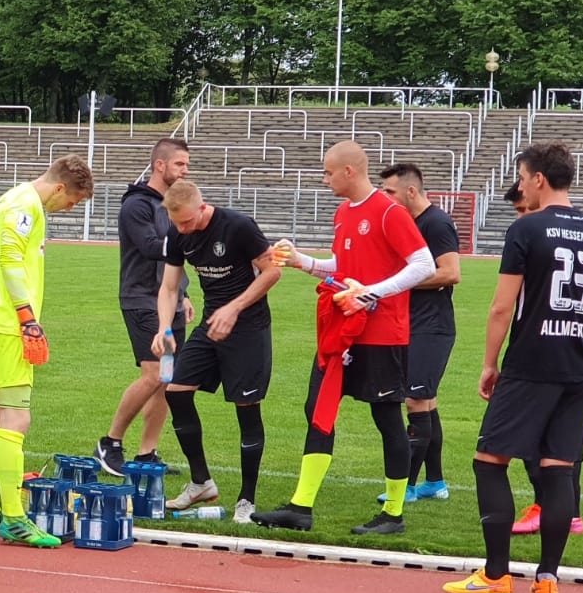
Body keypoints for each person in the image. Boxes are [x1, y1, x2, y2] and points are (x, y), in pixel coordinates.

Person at [442, 143, 583, 593]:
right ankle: (547, 578)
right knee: (559, 470)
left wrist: (489, 363)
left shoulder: (526, 229)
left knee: (490, 460)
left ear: (539, 178)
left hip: (530, 365)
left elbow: (502, 308)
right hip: (577, 369)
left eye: (522, 178)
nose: (520, 186)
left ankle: (496, 575)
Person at [255, 141, 435, 535]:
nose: (325, 179)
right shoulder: (343, 213)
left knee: (386, 417)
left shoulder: (389, 211)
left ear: (349, 171)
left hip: (382, 334)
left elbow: (424, 264)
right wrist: (302, 261)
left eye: (328, 172)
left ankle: (393, 514)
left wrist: (371, 293)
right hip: (342, 331)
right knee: (317, 409)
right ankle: (301, 507)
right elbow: (344, 265)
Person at [0, 154, 94, 547]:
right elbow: (9, 259)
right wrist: (27, 317)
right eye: (71, 201)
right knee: (16, 419)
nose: (68, 208)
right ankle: (14, 517)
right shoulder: (27, 205)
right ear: (59, 187)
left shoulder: (7, 199)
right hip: (7, 322)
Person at [151, 181, 280, 524]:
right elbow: (169, 287)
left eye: (187, 222)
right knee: (176, 391)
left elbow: (273, 271)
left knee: (246, 409)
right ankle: (201, 482)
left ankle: (246, 500)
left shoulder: (238, 226)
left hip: (248, 328)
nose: (182, 229)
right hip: (211, 325)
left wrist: (234, 308)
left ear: (202, 206)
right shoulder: (177, 234)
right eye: (176, 223)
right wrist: (164, 328)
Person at [98, 138, 194, 477]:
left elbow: (172, 262)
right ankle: (110, 442)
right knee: (153, 374)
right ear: (160, 165)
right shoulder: (136, 205)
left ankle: (146, 454)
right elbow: (152, 247)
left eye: (187, 164)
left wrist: (183, 293)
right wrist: (193, 238)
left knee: (166, 379)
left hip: (170, 302)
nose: (185, 170)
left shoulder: (170, 205)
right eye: (180, 164)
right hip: (141, 300)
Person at [499, 180, 583, 537]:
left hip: (540, 352)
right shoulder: (582, 235)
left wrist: (492, 362)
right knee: (562, 440)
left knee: (537, 438)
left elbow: (504, 307)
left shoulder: (536, 238)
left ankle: (549, 507)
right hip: (575, 353)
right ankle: (568, 512)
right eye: (517, 212)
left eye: (524, 209)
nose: (521, 217)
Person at [377, 164, 461, 504]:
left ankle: (407, 486)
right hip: (412, 323)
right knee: (427, 402)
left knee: (414, 401)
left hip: (432, 327)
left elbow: (451, 273)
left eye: (390, 191)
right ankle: (435, 482)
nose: (385, 197)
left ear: (411, 191)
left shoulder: (436, 223)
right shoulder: (406, 223)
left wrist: (399, 283)